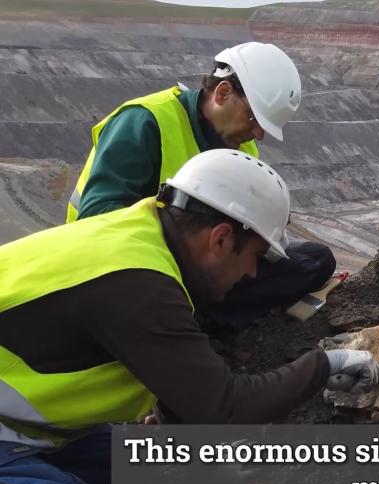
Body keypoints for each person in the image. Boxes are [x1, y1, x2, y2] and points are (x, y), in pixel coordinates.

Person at [0, 149, 379, 484]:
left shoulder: (145, 235)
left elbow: (172, 377)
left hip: (47, 432)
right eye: (255, 256)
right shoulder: (137, 284)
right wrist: (323, 364)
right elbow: (225, 409)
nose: (252, 274)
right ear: (220, 239)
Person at [65, 41, 334, 326]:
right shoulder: (146, 121)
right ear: (223, 92)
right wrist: (186, 243)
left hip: (201, 267)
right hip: (127, 266)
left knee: (315, 260)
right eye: (254, 118)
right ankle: (197, 320)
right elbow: (96, 218)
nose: (258, 134)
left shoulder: (243, 147)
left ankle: (200, 317)